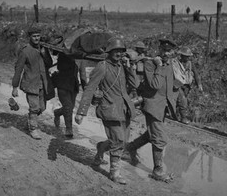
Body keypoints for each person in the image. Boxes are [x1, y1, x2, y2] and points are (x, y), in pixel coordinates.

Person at [75, 37, 139, 185]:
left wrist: (130, 67)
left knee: (121, 141)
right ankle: (114, 173)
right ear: (109, 51)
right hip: (109, 108)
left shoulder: (123, 66)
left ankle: (101, 148)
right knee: (118, 140)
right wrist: (81, 111)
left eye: (121, 51)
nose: (118, 54)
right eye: (115, 51)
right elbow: (90, 88)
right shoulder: (102, 66)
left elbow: (135, 84)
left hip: (124, 109)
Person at [126, 38, 177, 183]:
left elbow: (169, 87)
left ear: (173, 52)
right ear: (159, 50)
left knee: (152, 133)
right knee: (159, 138)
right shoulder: (150, 64)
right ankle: (157, 171)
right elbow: (155, 85)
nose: (167, 53)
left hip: (163, 106)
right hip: (152, 105)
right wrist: (159, 66)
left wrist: (174, 104)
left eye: (170, 51)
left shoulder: (169, 64)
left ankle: (130, 147)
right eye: (164, 50)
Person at [11, 27, 54, 140]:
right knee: (34, 107)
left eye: (38, 36)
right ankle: (33, 129)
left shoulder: (43, 49)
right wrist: (15, 87)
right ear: (30, 37)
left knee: (42, 108)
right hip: (30, 84)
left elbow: (49, 63)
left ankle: (30, 120)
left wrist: (45, 54)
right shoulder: (25, 51)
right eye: (34, 36)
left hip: (43, 83)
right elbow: (18, 69)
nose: (36, 38)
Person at [53, 52, 80, 138]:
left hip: (73, 86)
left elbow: (82, 73)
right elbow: (60, 66)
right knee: (68, 107)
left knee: (70, 108)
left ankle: (57, 113)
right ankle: (69, 129)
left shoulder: (79, 57)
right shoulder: (62, 54)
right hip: (63, 84)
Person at [174, 46, 203, 124]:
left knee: (182, 101)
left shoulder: (190, 64)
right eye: (186, 56)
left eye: (188, 56)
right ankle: (183, 118)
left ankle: (175, 114)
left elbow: (196, 74)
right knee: (182, 100)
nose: (187, 58)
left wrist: (199, 84)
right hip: (177, 85)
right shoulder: (175, 63)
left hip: (187, 86)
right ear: (182, 56)